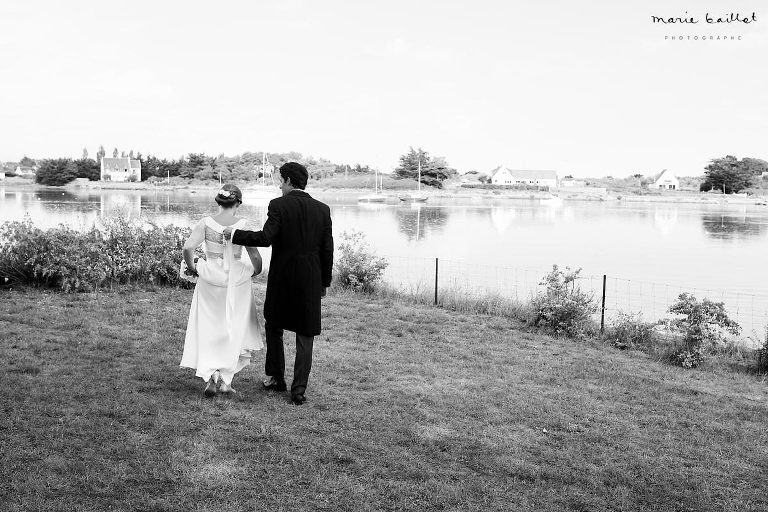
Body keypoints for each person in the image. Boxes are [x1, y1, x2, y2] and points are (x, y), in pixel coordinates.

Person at [223, 162, 333, 405]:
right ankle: (298, 391)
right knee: (306, 333)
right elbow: (327, 250)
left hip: (283, 277)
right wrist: (324, 282)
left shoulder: (278, 205)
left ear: (289, 181)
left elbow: (265, 238)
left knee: (274, 324)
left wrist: (235, 235)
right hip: (310, 280)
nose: (279, 185)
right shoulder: (322, 210)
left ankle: (276, 378)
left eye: (280, 180)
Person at [179, 184, 263, 397]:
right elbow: (254, 257)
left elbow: (188, 247)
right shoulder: (243, 225)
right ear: (238, 203)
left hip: (210, 278)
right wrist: (255, 271)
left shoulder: (205, 223)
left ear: (218, 201)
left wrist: (193, 267)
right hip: (236, 280)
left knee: (209, 327)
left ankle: (212, 377)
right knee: (232, 328)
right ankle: (226, 380)